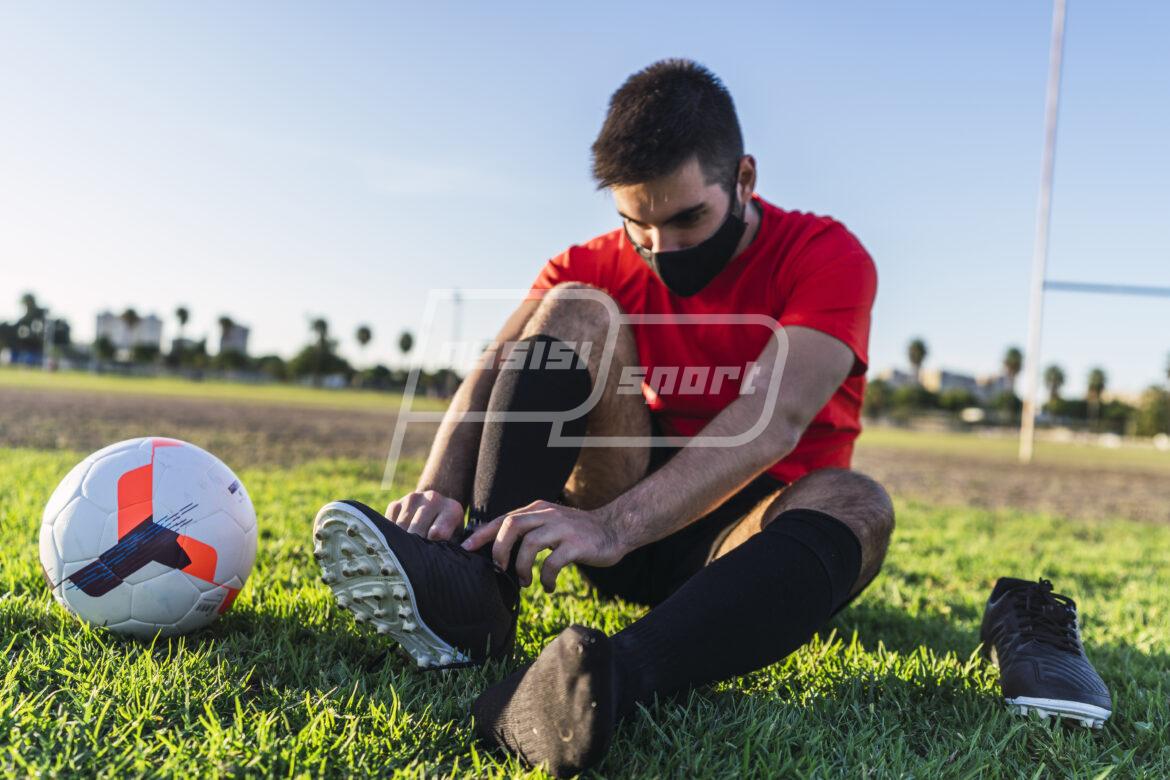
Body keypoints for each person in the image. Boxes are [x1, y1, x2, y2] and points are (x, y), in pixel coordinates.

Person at [310, 59, 1104, 776]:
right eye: (638, 223)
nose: (660, 246)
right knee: (574, 308)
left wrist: (616, 526)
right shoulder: (596, 262)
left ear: (744, 178)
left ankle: (606, 682)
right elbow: (491, 371)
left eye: (687, 219)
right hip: (615, 499)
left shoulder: (826, 255)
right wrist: (438, 492)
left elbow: (773, 418)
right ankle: (475, 588)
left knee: (859, 501)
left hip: (746, 545)